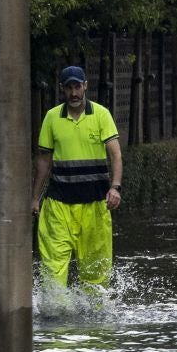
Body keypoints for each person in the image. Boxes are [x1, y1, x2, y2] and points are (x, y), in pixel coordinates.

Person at [32, 66, 123, 296]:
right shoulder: (52, 117)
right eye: (69, 87)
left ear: (85, 86)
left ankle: (96, 321)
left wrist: (115, 187)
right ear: (62, 89)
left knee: (96, 272)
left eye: (77, 87)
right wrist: (34, 198)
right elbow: (44, 160)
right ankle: (55, 317)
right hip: (58, 205)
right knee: (53, 267)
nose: (74, 92)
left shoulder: (101, 114)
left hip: (95, 205)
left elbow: (115, 155)